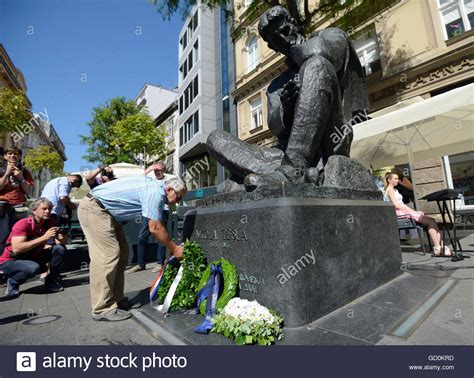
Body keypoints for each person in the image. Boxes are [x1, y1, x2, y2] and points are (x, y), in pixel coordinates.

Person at [207, 5, 368, 189]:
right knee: (215, 138)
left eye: (285, 30)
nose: (284, 38)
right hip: (283, 153)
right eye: (277, 39)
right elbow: (275, 127)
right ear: (272, 46)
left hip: (331, 139)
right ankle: (293, 172)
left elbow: (322, 53)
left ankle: (292, 172)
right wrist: (287, 105)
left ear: (293, 23)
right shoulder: (276, 86)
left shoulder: (330, 36)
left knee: (317, 65)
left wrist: (295, 53)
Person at [78, 175, 187, 321]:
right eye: (178, 198)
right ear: (169, 189)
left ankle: (116, 299)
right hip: (96, 209)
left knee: (123, 254)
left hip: (109, 214)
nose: (178, 202)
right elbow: (155, 227)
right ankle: (102, 309)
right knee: (107, 255)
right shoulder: (156, 192)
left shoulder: (155, 189)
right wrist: (175, 248)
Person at [0, 198, 67, 297]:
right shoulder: (23, 224)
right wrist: (44, 237)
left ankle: (51, 281)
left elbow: (57, 243)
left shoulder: (50, 222)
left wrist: (62, 238)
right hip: (11, 260)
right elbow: (17, 249)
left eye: (49, 209)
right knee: (33, 268)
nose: (47, 211)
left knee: (59, 249)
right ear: (34, 211)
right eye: (44, 209)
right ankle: (13, 282)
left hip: (32, 256)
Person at [384, 172, 452, 257]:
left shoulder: (395, 190)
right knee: (431, 221)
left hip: (404, 211)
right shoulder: (389, 189)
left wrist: (414, 211)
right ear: (389, 180)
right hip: (399, 213)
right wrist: (413, 212)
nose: (397, 180)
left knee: (432, 220)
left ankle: (440, 246)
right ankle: (438, 247)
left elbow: (401, 204)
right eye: (395, 178)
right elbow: (396, 205)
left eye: (397, 178)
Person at [127, 161, 174, 274]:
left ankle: (159, 263)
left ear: (164, 170)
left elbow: (175, 196)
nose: (157, 172)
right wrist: (150, 168)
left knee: (160, 237)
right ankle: (140, 264)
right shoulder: (150, 179)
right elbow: (139, 180)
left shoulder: (169, 180)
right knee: (142, 237)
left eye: (159, 170)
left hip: (162, 210)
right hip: (148, 211)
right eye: (155, 170)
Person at [0, 147, 34, 251]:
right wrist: (6, 174)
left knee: (17, 234)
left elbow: (27, 190)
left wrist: (21, 178)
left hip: (19, 207)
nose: (13, 156)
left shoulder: (25, 171)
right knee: (2, 235)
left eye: (16, 154)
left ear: (19, 156)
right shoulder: (0, 169)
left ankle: (13, 257)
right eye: (10, 153)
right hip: (2, 206)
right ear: (5, 156)